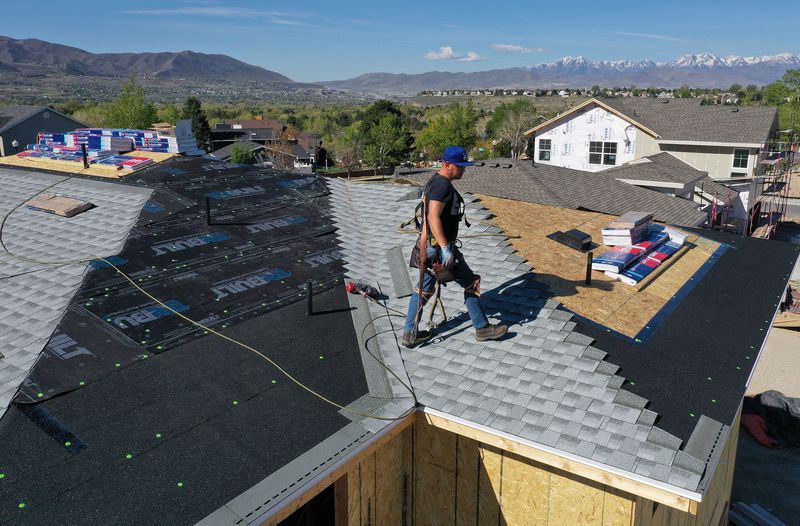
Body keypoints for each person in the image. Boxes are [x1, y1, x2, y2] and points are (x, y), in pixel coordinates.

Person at [402, 146, 508, 348]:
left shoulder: (434, 181)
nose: (463, 170)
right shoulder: (442, 186)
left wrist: (426, 245)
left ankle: (409, 333)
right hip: (438, 250)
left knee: (422, 291)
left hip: (427, 249)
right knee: (471, 283)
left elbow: (425, 211)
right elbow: (432, 217)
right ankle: (482, 328)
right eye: (460, 166)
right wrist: (445, 247)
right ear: (447, 164)